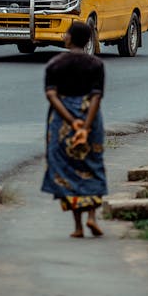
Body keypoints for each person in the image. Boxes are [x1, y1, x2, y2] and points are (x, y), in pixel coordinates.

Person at [41, 20, 107, 238]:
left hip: (62, 121)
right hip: (90, 117)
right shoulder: (96, 65)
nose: (64, 36)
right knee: (91, 164)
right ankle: (92, 217)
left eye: (66, 33)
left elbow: (52, 95)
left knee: (67, 168)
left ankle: (78, 227)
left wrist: (71, 122)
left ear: (70, 38)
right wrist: (85, 126)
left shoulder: (54, 64)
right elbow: (97, 96)